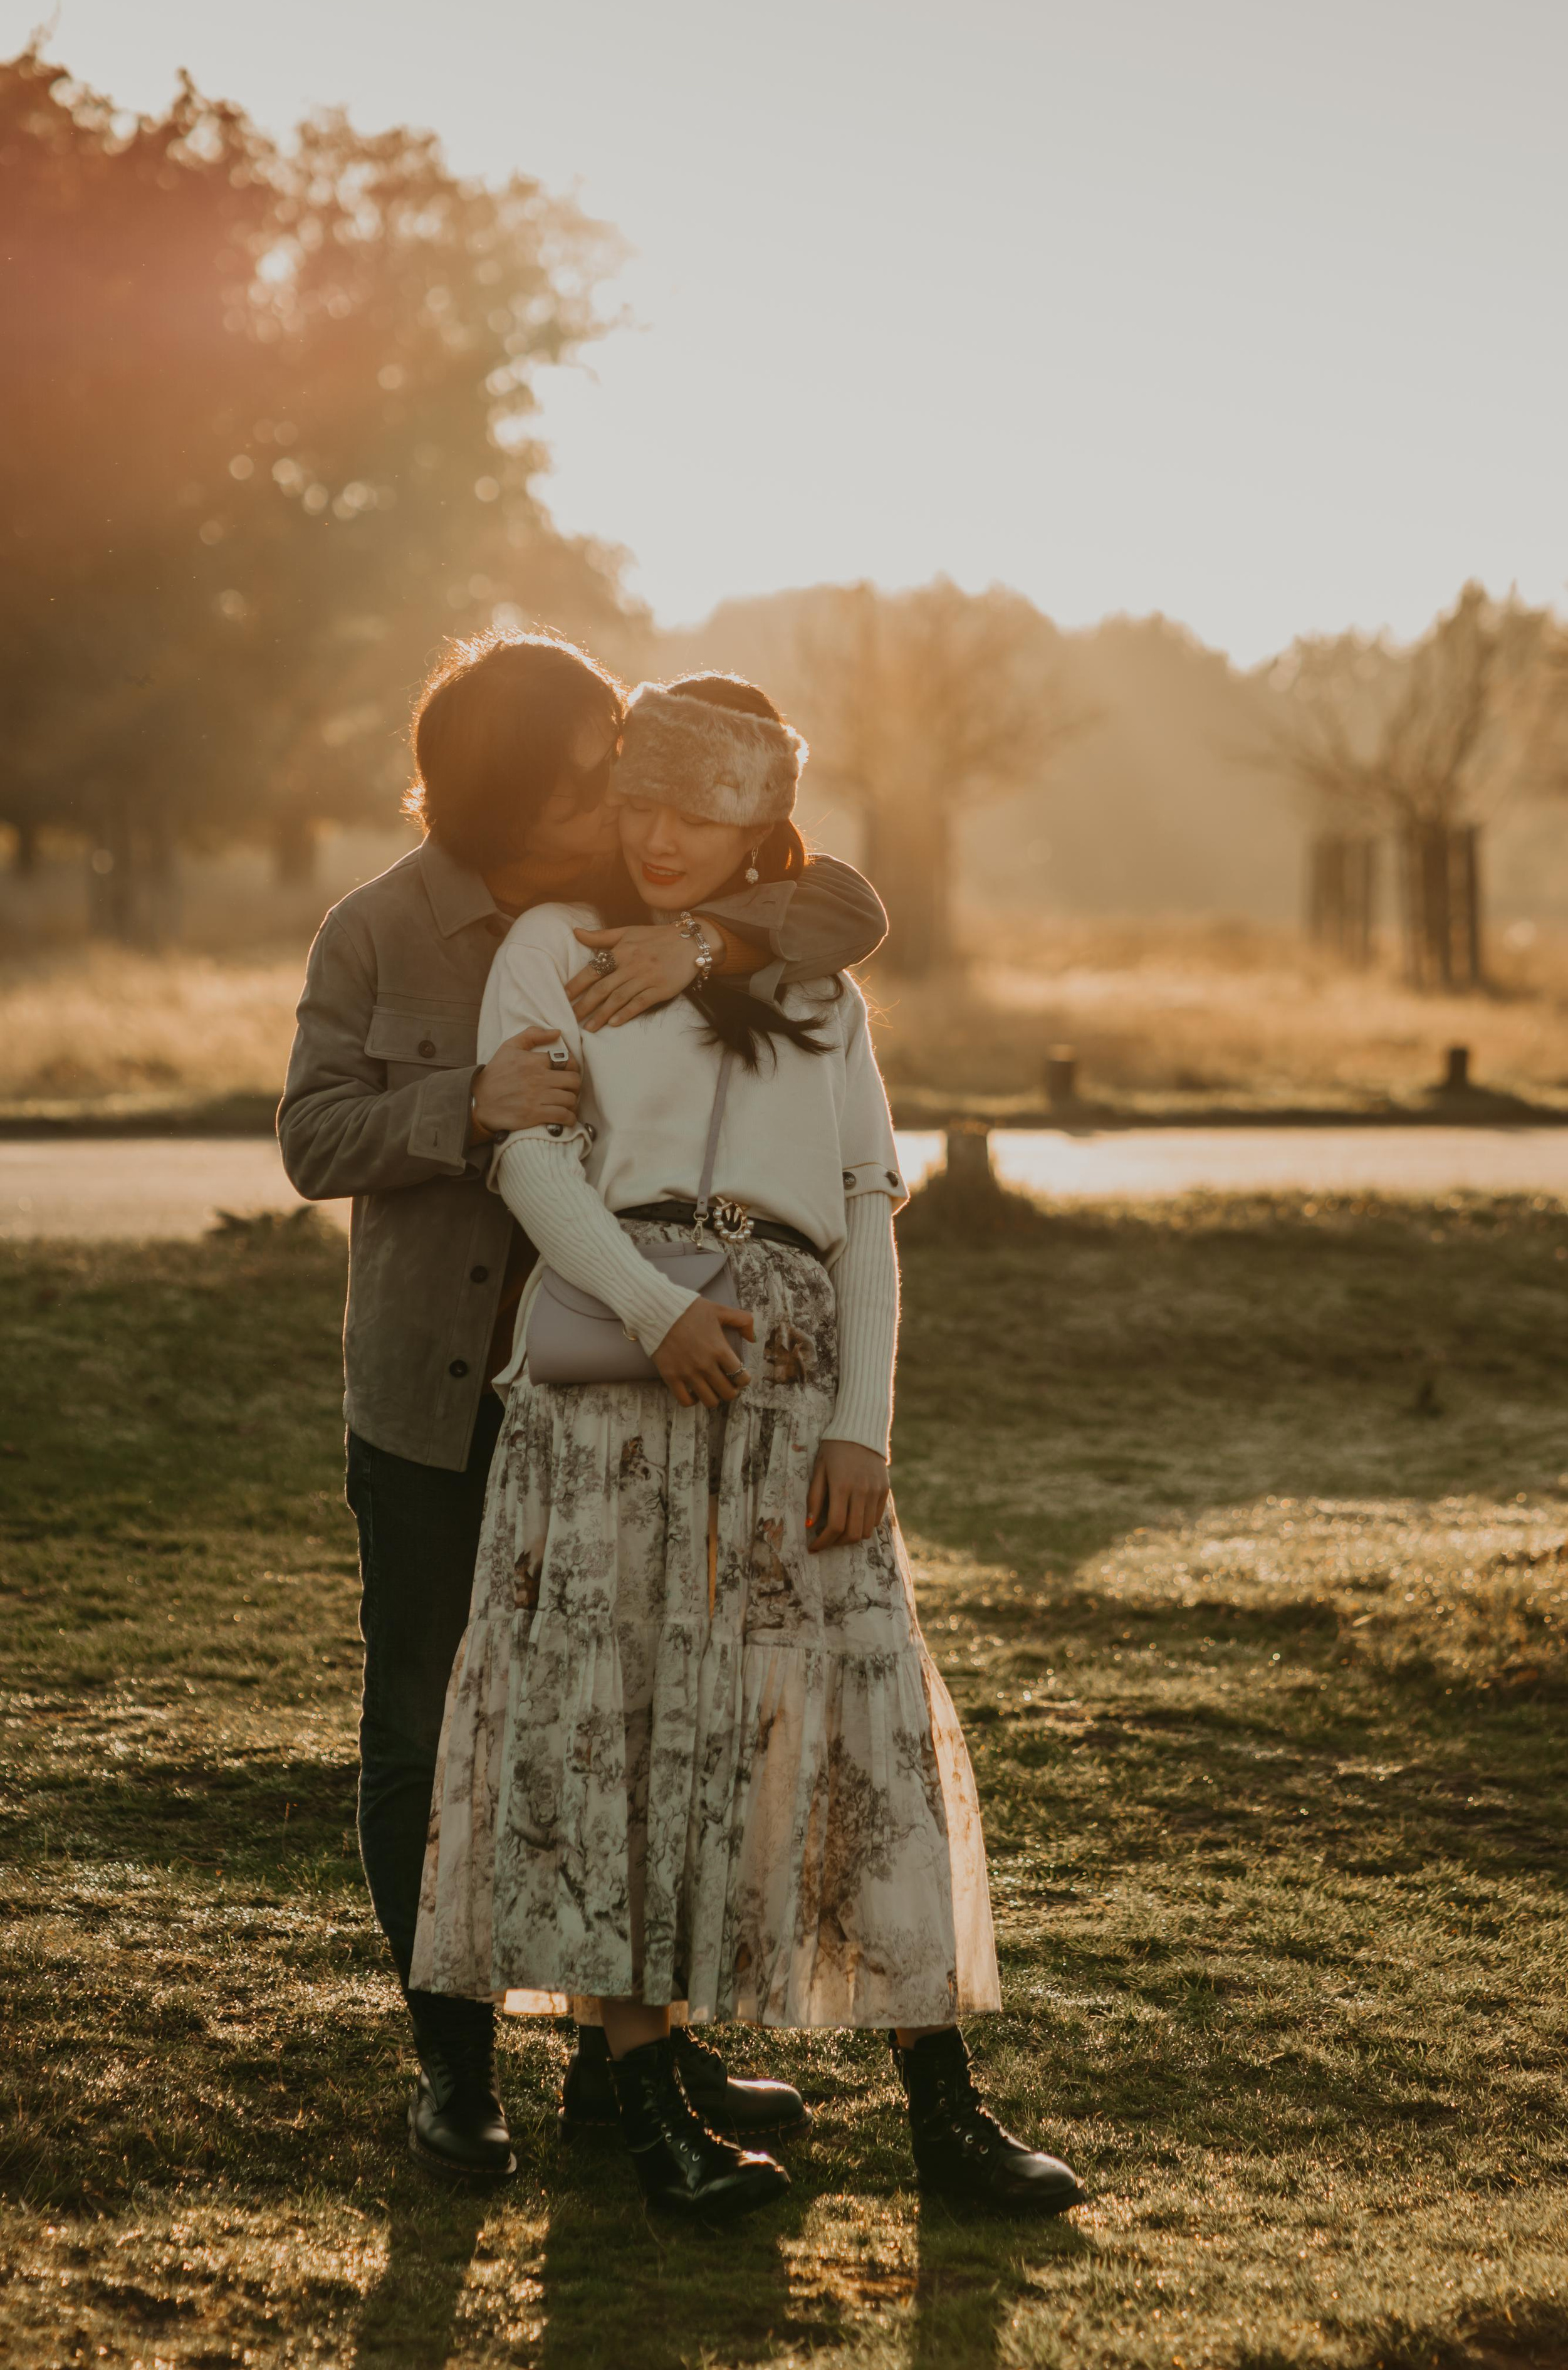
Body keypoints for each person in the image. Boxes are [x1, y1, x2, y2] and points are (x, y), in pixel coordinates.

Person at [410, 672, 1086, 2221]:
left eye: (699, 811)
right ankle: (645, 2110)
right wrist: (654, 1310)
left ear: (753, 821)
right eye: (636, 798)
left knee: (858, 1724)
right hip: (607, 1375)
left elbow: (864, 1204)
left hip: (790, 1382)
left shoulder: (812, 987)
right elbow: (528, 1156)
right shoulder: (549, 950)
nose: (656, 834)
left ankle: (944, 2115)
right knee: (615, 1719)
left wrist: (863, 1422)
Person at [278, 631, 889, 2182]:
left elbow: (841, 905)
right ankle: (452, 2062)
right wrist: (460, 1108)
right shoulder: (377, 929)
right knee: (432, 1721)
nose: (623, 802)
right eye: (583, 786)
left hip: (611, 1401)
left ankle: (627, 2066)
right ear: (495, 805)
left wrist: (703, 943)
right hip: (437, 1390)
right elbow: (310, 1135)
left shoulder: (647, 912)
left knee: (624, 1709)